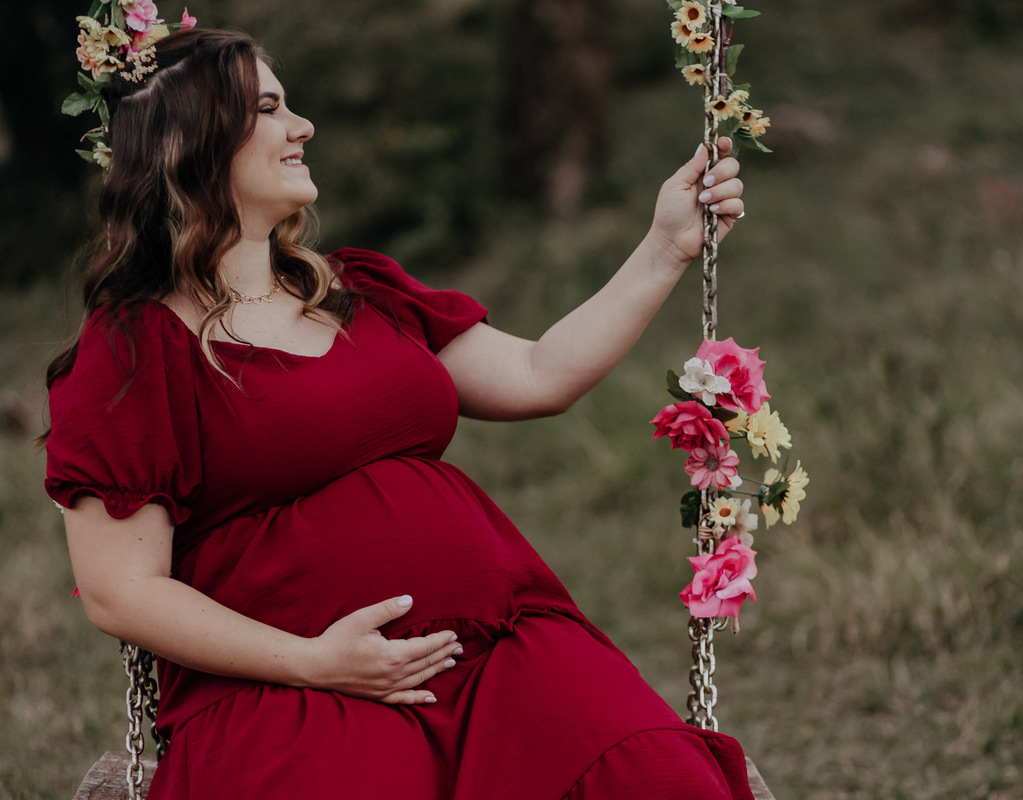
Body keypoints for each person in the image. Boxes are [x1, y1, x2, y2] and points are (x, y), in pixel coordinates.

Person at [45, 27, 752, 799]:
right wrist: (313, 662)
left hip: (502, 649)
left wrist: (665, 247)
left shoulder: (358, 292)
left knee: (658, 780)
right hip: (296, 688)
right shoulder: (136, 347)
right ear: (192, 141)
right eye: (270, 110)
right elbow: (121, 590)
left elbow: (539, 373)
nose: (303, 126)